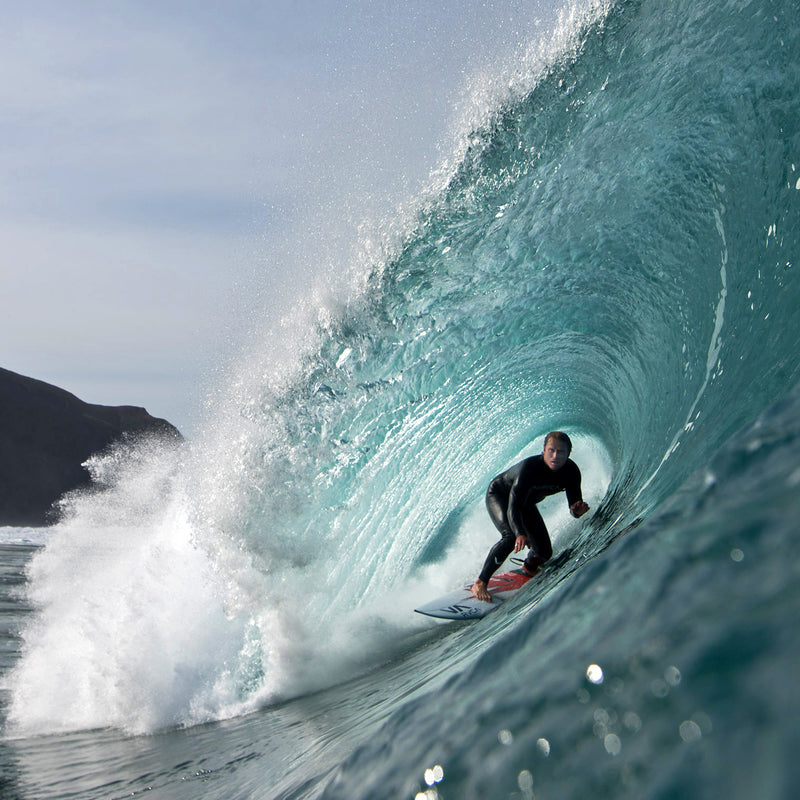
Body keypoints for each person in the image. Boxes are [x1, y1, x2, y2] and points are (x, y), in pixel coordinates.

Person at [471, 431, 590, 603]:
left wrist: (577, 511)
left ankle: (529, 567)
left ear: (568, 454)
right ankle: (481, 582)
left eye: (561, 452)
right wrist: (520, 533)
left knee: (544, 552)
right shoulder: (529, 469)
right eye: (551, 450)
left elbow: (574, 507)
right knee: (511, 537)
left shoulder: (571, 472)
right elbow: (513, 507)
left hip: (525, 504)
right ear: (544, 450)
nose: (555, 456)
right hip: (501, 496)